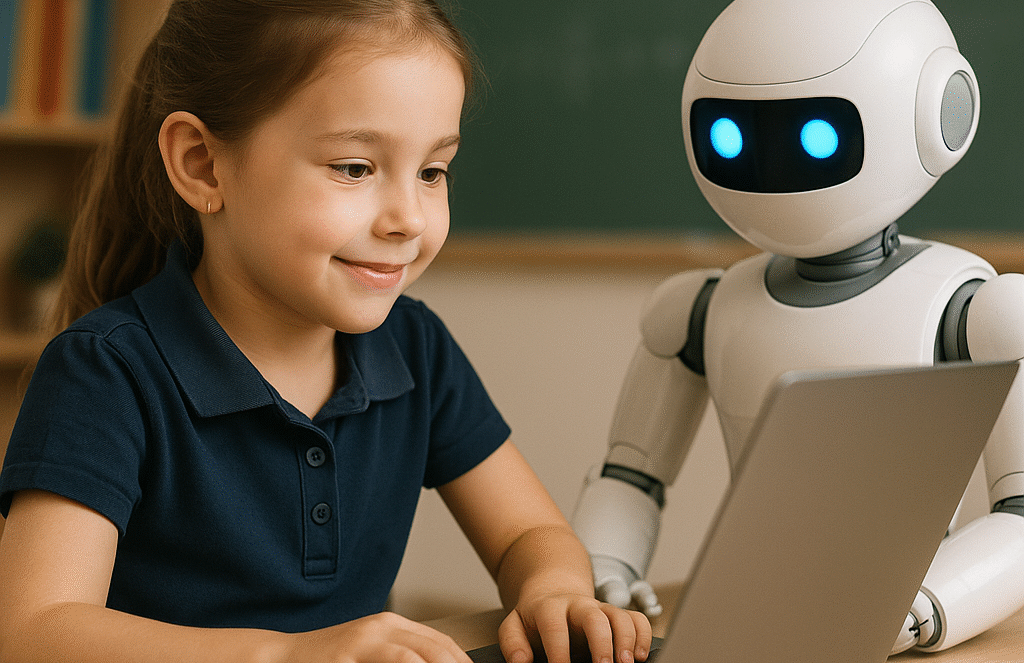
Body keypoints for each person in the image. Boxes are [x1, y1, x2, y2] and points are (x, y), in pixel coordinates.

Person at [0, 2, 652, 662]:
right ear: (202, 165)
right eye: (354, 168)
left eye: (432, 172)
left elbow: (527, 533)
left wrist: (553, 589)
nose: (408, 218)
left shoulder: (416, 348)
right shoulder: (105, 370)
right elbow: (34, 631)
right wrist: (287, 655)